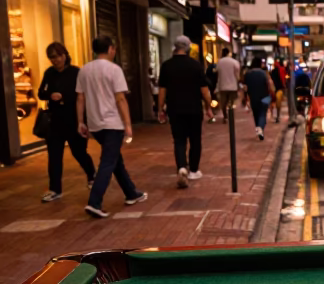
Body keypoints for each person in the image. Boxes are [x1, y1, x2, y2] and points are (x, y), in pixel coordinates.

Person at [76, 36, 146, 218]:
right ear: (110, 49)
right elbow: (120, 98)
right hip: (113, 123)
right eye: (114, 48)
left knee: (115, 160)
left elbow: (80, 98)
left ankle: (131, 193)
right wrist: (128, 125)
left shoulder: (84, 70)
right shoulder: (114, 70)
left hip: (95, 124)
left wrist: (80, 121)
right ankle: (94, 202)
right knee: (108, 161)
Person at [37, 41, 96, 202]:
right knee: (54, 155)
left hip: (74, 118)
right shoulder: (49, 73)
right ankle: (55, 189)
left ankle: (92, 175)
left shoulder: (77, 72)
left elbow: (84, 96)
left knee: (79, 152)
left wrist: (84, 120)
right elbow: (41, 92)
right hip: (55, 120)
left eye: (57, 57)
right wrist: (50, 95)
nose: (55, 61)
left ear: (64, 56)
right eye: (51, 58)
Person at [157, 34, 213, 187]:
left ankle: (182, 167)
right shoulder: (195, 65)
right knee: (195, 139)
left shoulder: (166, 66)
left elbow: (162, 90)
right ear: (188, 48)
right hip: (194, 109)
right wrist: (209, 106)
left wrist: (160, 108)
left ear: (175, 47)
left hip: (175, 109)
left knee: (179, 140)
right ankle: (194, 170)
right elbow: (204, 90)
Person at [243, 56, 275, 140]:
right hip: (265, 97)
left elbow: (245, 87)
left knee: (256, 114)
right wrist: (272, 93)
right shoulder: (264, 73)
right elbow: (270, 84)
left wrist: (245, 97)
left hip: (253, 97)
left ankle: (258, 128)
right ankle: (260, 128)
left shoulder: (247, 74)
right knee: (262, 114)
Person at [216, 46, 241, 121]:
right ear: (229, 53)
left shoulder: (219, 62)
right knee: (231, 102)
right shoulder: (234, 62)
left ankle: (225, 116)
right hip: (232, 86)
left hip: (222, 85)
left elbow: (217, 72)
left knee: (223, 103)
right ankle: (230, 116)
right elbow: (237, 74)